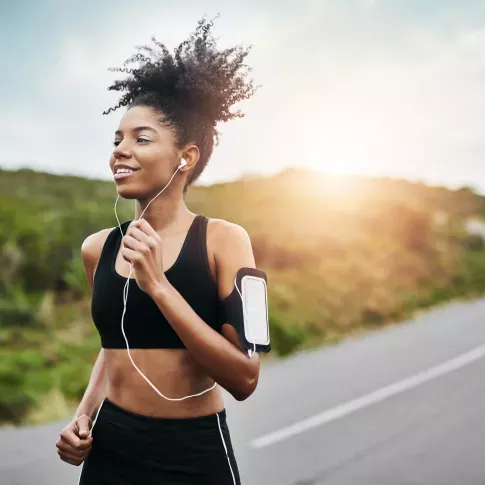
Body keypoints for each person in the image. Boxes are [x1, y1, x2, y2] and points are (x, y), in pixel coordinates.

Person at [55, 16, 262, 484]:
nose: (119, 151)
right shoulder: (98, 249)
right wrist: (84, 416)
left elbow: (245, 379)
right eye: (116, 140)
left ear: (185, 157)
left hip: (193, 454)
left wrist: (159, 286)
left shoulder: (226, 241)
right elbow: (115, 347)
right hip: (110, 449)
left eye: (140, 139)